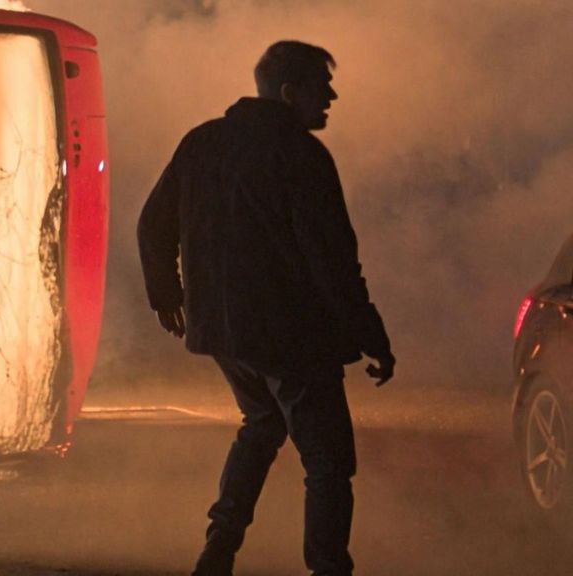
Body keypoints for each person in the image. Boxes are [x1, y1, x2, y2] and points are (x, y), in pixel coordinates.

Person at [137, 40, 395, 576]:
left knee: (261, 425)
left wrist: (169, 295)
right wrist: (369, 332)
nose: (332, 97)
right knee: (328, 463)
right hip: (291, 335)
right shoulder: (302, 157)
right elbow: (332, 259)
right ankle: (327, 568)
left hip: (221, 332)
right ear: (289, 91)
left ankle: (218, 551)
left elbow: (152, 224)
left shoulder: (201, 142)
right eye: (322, 87)